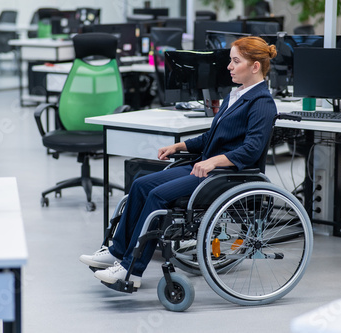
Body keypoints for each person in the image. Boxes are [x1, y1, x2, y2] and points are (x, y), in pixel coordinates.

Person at [80, 36, 278, 288]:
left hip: (227, 175)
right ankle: (117, 250)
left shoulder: (262, 103)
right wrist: (181, 145)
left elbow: (251, 150)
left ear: (255, 67)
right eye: (230, 60)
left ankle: (131, 269)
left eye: (235, 61)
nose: (228, 66)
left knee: (158, 195)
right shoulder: (235, 95)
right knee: (141, 184)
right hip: (206, 167)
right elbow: (213, 136)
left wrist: (214, 162)